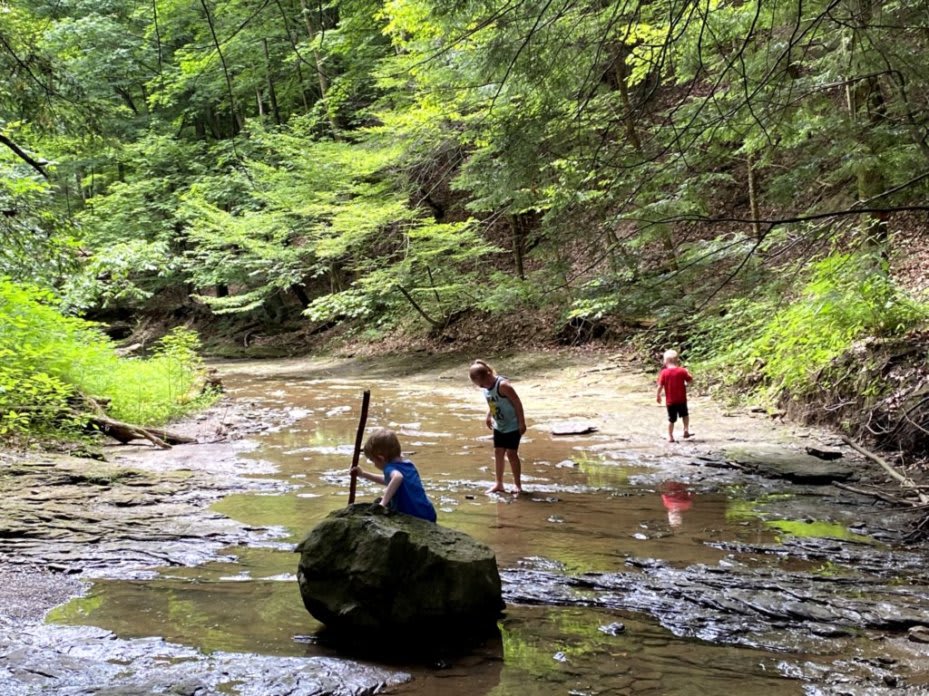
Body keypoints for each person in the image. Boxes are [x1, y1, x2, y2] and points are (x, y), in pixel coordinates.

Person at [351, 428, 437, 522]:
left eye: (372, 460)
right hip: (428, 513)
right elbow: (389, 480)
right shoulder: (409, 464)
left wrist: (383, 503)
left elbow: (397, 478)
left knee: (380, 502)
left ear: (380, 458)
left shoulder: (389, 468)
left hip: (412, 515)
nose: (373, 464)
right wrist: (363, 474)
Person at [469, 359, 527, 494]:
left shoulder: (503, 386)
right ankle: (499, 483)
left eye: (483, 384)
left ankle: (517, 484)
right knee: (498, 452)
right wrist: (489, 415)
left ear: (489, 374)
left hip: (512, 425)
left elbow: (517, 403)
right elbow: (492, 402)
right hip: (499, 425)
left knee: (511, 454)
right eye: (480, 386)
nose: (483, 387)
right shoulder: (485, 388)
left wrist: (522, 422)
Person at [656, 349, 693, 443]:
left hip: (670, 401)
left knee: (671, 420)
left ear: (666, 361)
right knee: (685, 415)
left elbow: (660, 386)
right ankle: (686, 430)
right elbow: (690, 380)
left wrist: (658, 395)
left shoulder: (664, 373)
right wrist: (688, 373)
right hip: (682, 400)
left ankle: (670, 436)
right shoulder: (682, 371)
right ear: (677, 360)